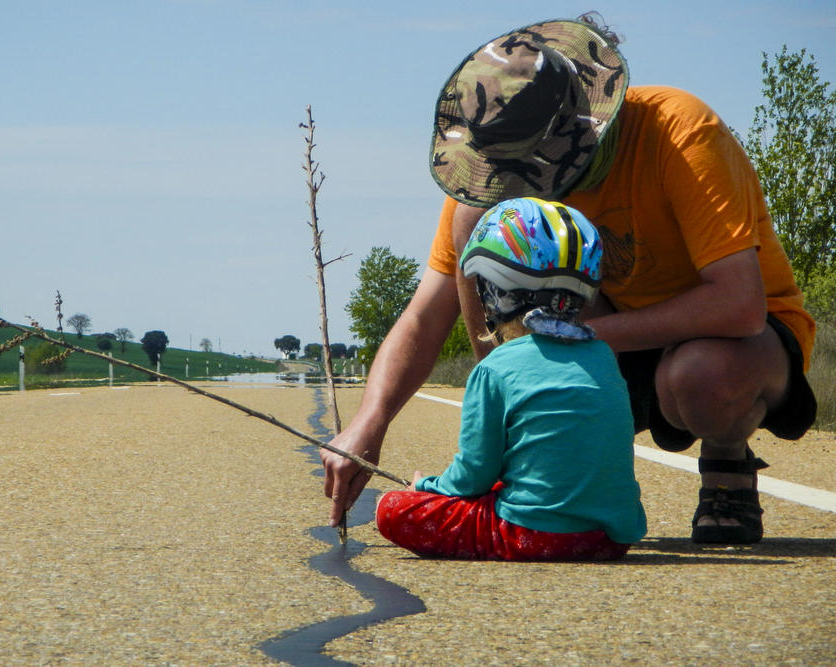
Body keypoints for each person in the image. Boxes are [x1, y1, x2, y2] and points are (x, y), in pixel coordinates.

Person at [322, 14, 817, 545]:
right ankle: (510, 436)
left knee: (698, 377)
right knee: (475, 222)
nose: (512, 182)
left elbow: (740, 305)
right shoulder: (499, 165)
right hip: (614, 340)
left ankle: (727, 457)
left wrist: (575, 338)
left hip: (736, 342)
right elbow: (425, 313)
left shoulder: (678, 131)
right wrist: (368, 425)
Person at [375, 197, 646, 560]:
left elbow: (472, 477)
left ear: (498, 292)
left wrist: (425, 486)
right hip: (611, 538)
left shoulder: (496, 368)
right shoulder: (602, 356)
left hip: (532, 534)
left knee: (392, 509)